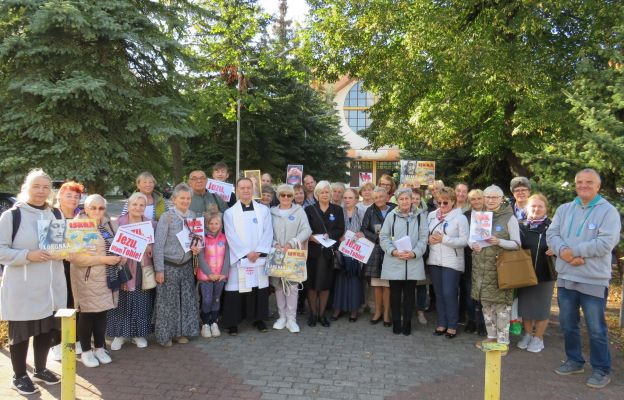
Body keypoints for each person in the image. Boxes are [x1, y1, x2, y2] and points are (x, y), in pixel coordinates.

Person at [547, 169, 621, 388]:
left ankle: (601, 369)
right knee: (568, 324)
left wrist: (574, 251)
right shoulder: (564, 209)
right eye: (579, 182)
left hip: (593, 279)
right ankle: (574, 360)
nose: (583, 185)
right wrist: (565, 253)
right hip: (567, 276)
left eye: (589, 182)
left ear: (597, 186)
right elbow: (552, 235)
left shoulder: (608, 212)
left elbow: (606, 243)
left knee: (596, 328)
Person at [0, 169, 65, 394]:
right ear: (26, 188)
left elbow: (59, 247)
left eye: (46, 187)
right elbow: (1, 251)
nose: (41, 191)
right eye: (36, 186)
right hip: (22, 288)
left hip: (49, 288)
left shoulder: (56, 215)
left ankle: (40, 369)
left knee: (45, 331)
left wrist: (66, 251)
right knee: (20, 333)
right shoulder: (12, 216)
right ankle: (19, 376)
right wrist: (28, 255)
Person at [72, 194, 124, 367]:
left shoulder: (110, 223)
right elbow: (76, 259)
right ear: (85, 208)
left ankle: (100, 348)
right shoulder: (78, 226)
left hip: (107, 277)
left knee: (102, 313)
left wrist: (121, 257)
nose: (97, 211)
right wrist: (104, 260)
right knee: (87, 314)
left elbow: (119, 247)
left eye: (101, 208)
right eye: (92, 207)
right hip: (87, 279)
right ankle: (86, 351)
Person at [469, 185, 520, 353]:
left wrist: (499, 242)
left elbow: (517, 244)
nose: (490, 200)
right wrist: (473, 245)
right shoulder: (479, 215)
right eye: (488, 197)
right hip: (481, 268)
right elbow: (471, 239)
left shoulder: (509, 218)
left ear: (501, 198)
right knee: (486, 305)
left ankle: (503, 342)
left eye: (494, 197)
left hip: (500, 269)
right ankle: (491, 337)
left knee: (502, 308)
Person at [222, 178, 273, 335]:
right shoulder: (230, 213)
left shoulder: (263, 210)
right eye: (242, 188)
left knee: (258, 288)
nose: (245, 191)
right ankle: (233, 322)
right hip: (240, 258)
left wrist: (258, 251)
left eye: (248, 188)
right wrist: (245, 253)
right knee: (236, 289)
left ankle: (258, 319)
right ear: (237, 190)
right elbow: (230, 235)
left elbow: (268, 231)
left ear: (253, 190)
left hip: (258, 258)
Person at [107, 193, 157, 351]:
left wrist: (150, 248)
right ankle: (120, 335)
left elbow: (157, 246)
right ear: (128, 206)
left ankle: (138, 334)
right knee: (122, 300)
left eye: (142, 205)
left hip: (143, 268)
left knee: (142, 300)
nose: (138, 208)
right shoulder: (118, 223)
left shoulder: (150, 224)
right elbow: (111, 246)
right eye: (134, 204)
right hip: (124, 268)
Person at [153, 183, 201, 346]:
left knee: (186, 301)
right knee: (168, 303)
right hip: (169, 265)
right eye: (182, 198)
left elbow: (197, 239)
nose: (185, 201)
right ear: (174, 199)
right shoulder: (166, 217)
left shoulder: (193, 215)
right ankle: (166, 335)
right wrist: (159, 269)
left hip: (186, 265)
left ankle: (182, 333)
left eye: (188, 198)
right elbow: (158, 245)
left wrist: (197, 248)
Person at [379, 188, 428, 336]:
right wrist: (393, 251)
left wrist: (414, 253)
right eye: (401, 199)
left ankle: (407, 324)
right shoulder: (391, 216)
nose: (405, 201)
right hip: (395, 261)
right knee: (394, 295)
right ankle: (396, 323)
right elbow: (384, 237)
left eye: (407, 199)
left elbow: (423, 238)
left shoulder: (420, 216)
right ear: (397, 201)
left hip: (413, 262)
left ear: (411, 200)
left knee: (409, 296)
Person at [426, 187, 469, 339]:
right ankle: (442, 323)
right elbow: (424, 234)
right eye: (439, 202)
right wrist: (428, 240)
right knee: (438, 294)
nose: (442, 205)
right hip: (434, 259)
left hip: (452, 261)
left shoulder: (460, 218)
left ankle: (452, 325)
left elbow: (465, 241)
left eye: (445, 202)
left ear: (453, 202)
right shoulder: (431, 216)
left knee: (449, 293)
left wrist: (444, 239)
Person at [516, 194, 555, 353]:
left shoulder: (553, 226)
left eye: (540, 206)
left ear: (546, 208)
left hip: (545, 273)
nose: (536, 209)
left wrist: (556, 249)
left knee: (541, 307)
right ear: (526, 208)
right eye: (533, 206)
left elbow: (563, 244)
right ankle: (527, 334)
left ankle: (538, 338)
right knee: (526, 307)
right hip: (524, 273)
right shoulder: (520, 226)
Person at [270, 184, 312, 333]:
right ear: (278, 196)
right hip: (277, 253)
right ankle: (282, 317)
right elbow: (267, 231)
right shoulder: (272, 212)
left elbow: (307, 230)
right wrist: (274, 244)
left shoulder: (299, 211)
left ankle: (291, 319)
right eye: (283, 195)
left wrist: (292, 242)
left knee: (293, 286)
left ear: (293, 197)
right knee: (278, 286)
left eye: (289, 195)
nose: (286, 198)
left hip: (293, 253)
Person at [51, 181, 84, 361]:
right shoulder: (53, 215)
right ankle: (56, 342)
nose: (73, 199)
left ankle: (74, 338)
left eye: (76, 196)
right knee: (59, 302)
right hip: (58, 266)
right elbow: (51, 245)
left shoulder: (82, 216)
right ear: (60, 196)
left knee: (76, 302)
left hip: (78, 265)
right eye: (69, 195)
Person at [304, 180, 345, 327]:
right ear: (317, 194)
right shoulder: (309, 210)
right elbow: (305, 229)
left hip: (329, 253)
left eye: (328, 192)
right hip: (313, 253)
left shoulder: (338, 210)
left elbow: (340, 229)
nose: (325, 194)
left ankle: (322, 315)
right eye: (322, 192)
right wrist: (312, 237)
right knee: (312, 285)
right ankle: (313, 315)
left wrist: (330, 235)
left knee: (325, 284)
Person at [362, 187, 395, 326]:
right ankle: (377, 312)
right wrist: (377, 238)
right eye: (376, 197)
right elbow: (364, 229)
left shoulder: (395, 209)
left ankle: (387, 313)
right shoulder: (370, 210)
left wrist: (389, 240)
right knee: (376, 284)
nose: (378, 200)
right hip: (375, 251)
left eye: (381, 196)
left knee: (387, 285)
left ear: (387, 196)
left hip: (391, 250)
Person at [331, 188, 364, 322]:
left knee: (354, 282)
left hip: (356, 253)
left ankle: (354, 311)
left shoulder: (361, 213)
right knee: (340, 281)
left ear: (356, 199)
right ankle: (338, 308)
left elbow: (366, 229)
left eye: (350, 198)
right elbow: (334, 229)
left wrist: (362, 234)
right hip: (342, 252)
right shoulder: (339, 212)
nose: (347, 200)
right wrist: (339, 236)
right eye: (345, 197)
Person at [195, 212, 230, 338]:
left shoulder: (224, 238)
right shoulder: (201, 238)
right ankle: (205, 323)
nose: (214, 226)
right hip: (206, 277)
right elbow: (201, 258)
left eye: (217, 223)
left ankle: (214, 322)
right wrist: (209, 274)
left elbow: (227, 257)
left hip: (220, 276)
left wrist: (224, 273)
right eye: (211, 223)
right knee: (207, 299)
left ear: (221, 224)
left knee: (216, 299)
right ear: (207, 224)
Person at [463, 189, 486, 336]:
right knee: (469, 293)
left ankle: (482, 323)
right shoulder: (465, 216)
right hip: (469, 258)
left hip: (485, 259)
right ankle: (471, 320)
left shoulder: (490, 215)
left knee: (483, 295)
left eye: (479, 198)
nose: (476, 202)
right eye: (473, 199)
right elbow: (464, 235)